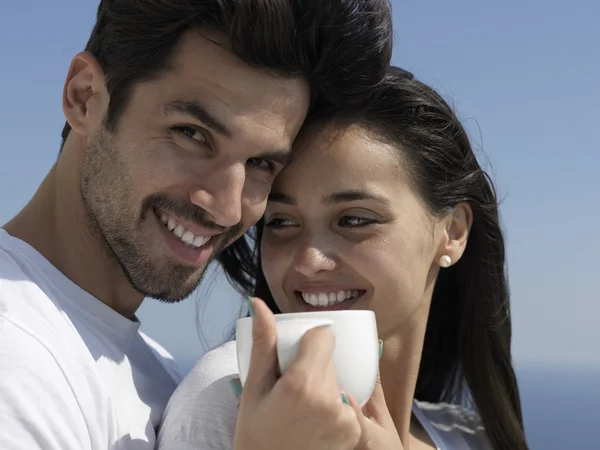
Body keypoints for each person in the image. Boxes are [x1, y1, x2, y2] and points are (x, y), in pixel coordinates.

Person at [0, 0, 394, 448]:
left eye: (262, 163)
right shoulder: (14, 361)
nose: (227, 209)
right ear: (85, 97)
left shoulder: (159, 374)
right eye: (192, 134)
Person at [158, 66, 530, 450]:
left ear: (452, 232)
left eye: (353, 219)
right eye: (281, 222)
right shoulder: (228, 403)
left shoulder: (473, 438)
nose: (309, 261)